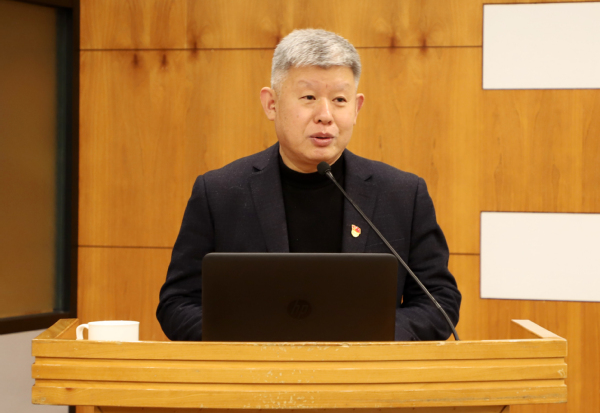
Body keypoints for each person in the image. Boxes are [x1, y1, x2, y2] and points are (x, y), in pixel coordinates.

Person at [157, 29, 461, 341]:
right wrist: (245, 340)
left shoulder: (402, 194)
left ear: (356, 108)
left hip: (365, 369)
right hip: (255, 369)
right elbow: (177, 303)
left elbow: (439, 300)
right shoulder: (220, 193)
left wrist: (374, 336)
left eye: (339, 100)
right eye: (309, 98)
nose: (325, 116)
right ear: (271, 104)